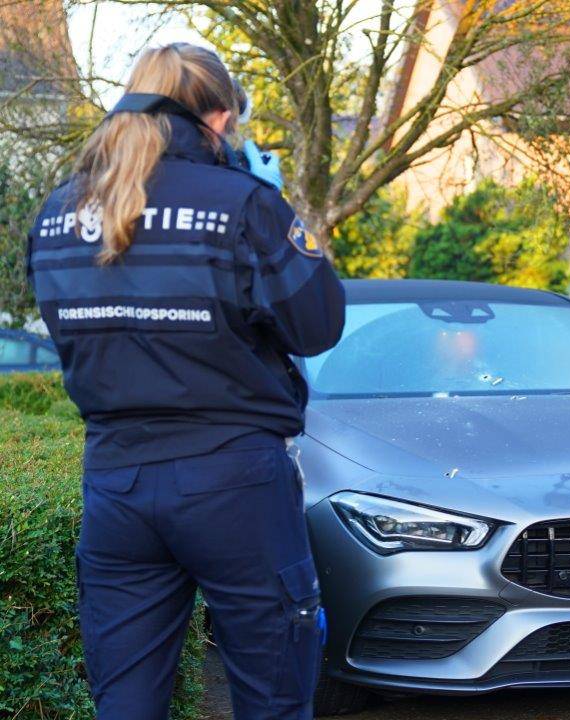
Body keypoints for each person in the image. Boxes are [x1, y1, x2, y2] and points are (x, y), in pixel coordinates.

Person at [25, 44, 345, 719]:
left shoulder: (57, 213)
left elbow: (68, 335)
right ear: (220, 116)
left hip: (117, 480)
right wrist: (276, 208)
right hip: (233, 480)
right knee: (272, 695)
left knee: (127, 703)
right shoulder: (243, 203)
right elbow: (316, 326)